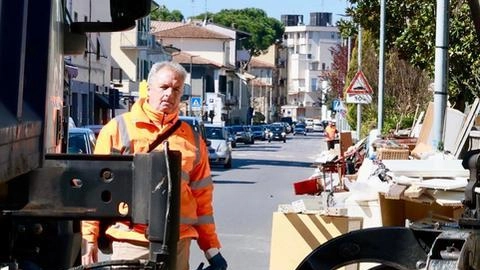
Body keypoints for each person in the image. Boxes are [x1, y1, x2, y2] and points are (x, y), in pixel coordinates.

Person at [81, 61, 227, 270]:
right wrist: (89, 239)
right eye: (164, 87)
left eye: (176, 89)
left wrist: (212, 250)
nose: (169, 93)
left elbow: (202, 200)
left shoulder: (193, 140)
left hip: (177, 244)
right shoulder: (118, 129)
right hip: (130, 242)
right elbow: (95, 189)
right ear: (149, 89)